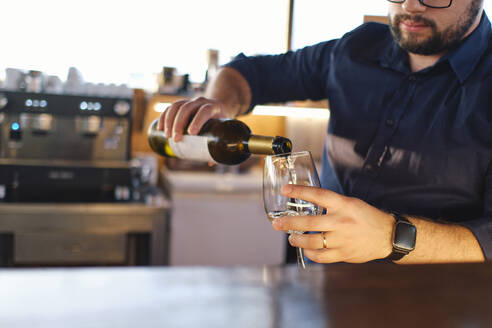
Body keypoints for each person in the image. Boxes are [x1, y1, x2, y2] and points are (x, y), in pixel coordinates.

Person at [158, 0, 491, 264]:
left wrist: (392, 236)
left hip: (441, 304)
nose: (410, 6)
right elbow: (250, 73)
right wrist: (220, 103)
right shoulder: (357, 48)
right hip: (322, 291)